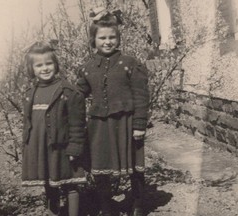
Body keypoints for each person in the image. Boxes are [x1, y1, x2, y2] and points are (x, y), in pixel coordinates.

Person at [77, 8, 149, 216]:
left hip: (126, 123)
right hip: (99, 126)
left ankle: (137, 203)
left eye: (112, 37)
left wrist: (139, 125)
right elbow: (78, 93)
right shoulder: (88, 68)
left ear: (118, 39)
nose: (107, 42)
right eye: (102, 38)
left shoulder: (130, 64)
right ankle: (106, 205)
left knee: (134, 165)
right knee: (101, 168)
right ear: (93, 40)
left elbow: (141, 96)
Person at [21, 41, 87, 216]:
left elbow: (77, 123)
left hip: (62, 148)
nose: (44, 68)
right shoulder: (30, 93)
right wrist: (27, 147)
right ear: (32, 69)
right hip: (41, 149)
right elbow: (28, 123)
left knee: (71, 184)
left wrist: (75, 147)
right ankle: (53, 212)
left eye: (49, 63)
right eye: (39, 65)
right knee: (49, 185)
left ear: (56, 65)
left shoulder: (67, 91)